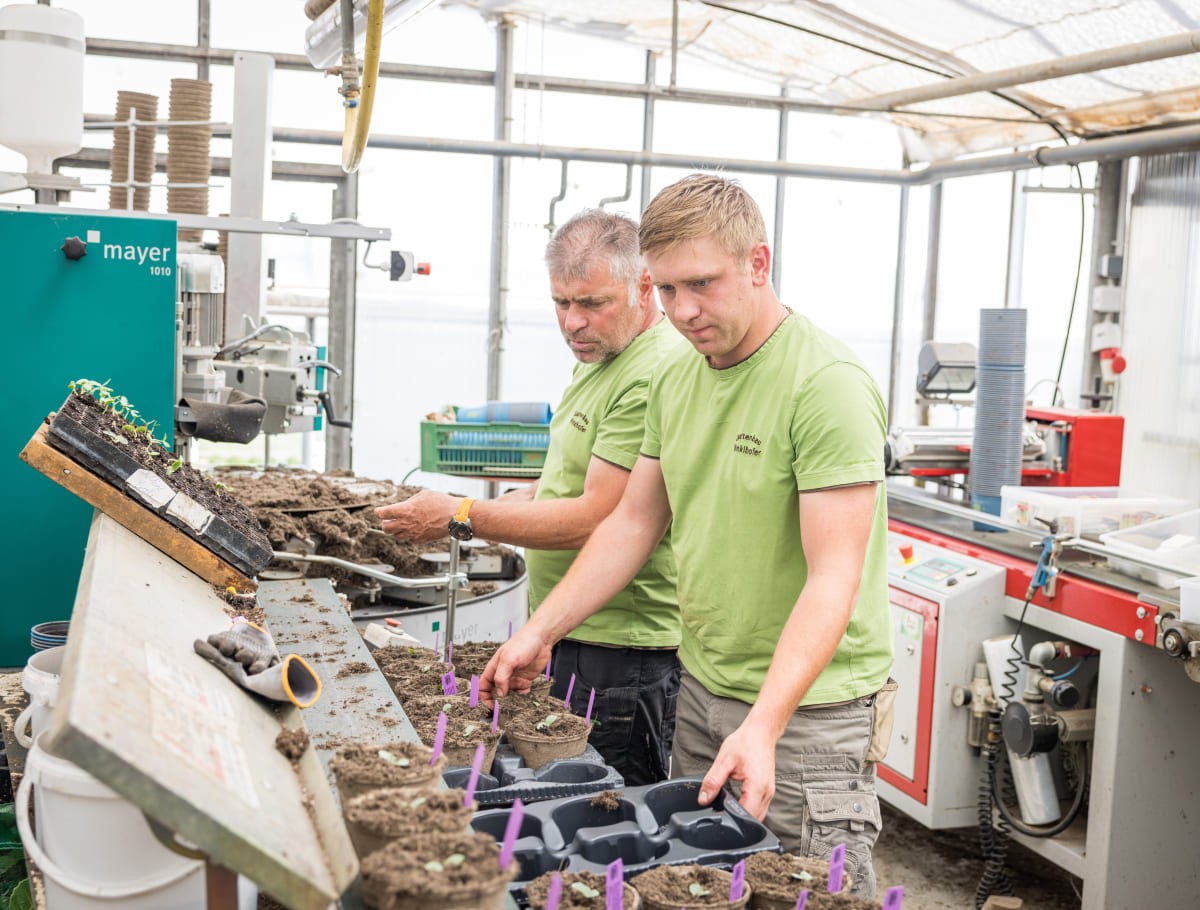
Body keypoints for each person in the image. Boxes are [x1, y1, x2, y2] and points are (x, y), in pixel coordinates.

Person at [479, 175, 895, 897]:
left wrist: (763, 726)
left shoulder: (824, 384)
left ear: (759, 264)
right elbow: (635, 522)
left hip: (806, 716)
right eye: (666, 291)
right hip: (702, 694)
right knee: (693, 887)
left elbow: (835, 576)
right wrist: (541, 630)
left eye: (701, 284)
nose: (683, 311)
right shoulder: (682, 377)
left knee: (800, 890)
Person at [376, 209, 684, 786]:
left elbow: (597, 518)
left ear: (645, 286)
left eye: (592, 303)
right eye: (561, 303)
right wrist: (515, 502)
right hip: (577, 630)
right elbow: (569, 481)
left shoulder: (652, 372)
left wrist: (461, 516)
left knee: (605, 801)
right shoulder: (602, 358)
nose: (573, 323)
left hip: (622, 649)